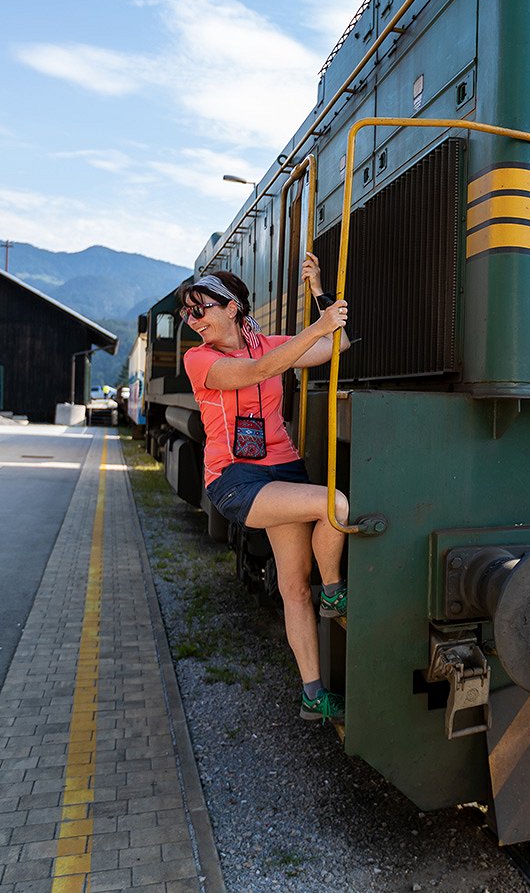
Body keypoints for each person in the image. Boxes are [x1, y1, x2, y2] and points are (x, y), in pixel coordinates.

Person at [179, 254, 351, 722]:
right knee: (334, 504)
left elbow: (338, 345)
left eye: (201, 310)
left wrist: (319, 294)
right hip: (236, 478)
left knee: (295, 589)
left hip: (284, 469)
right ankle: (335, 593)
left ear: (232, 307)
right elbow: (256, 372)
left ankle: (312, 695)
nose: (193, 322)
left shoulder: (269, 345)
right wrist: (314, 330)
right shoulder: (199, 359)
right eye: (187, 314)